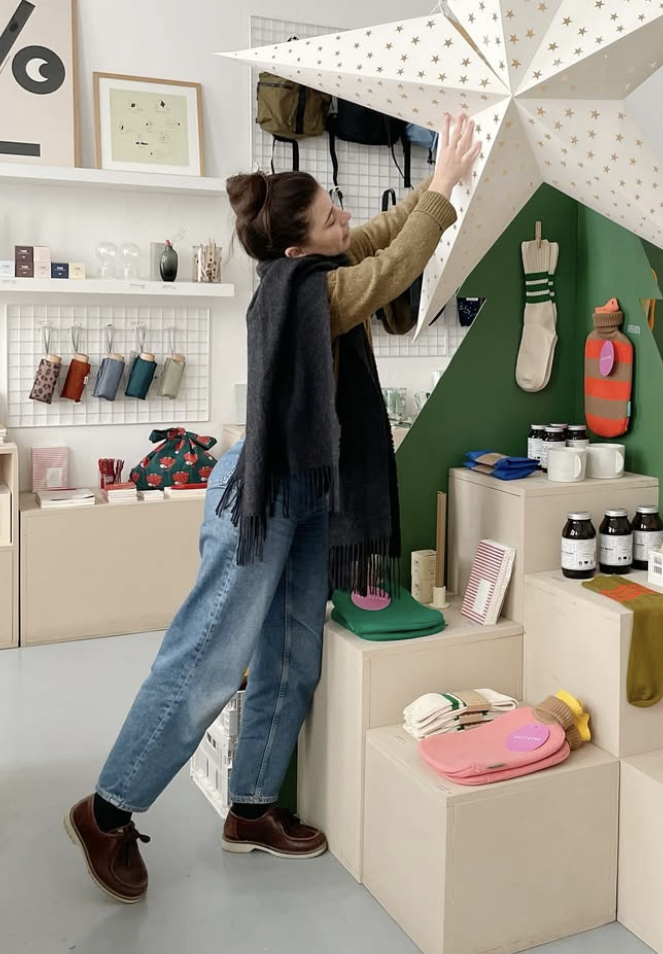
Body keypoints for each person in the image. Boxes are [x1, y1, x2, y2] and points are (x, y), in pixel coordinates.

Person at [65, 111, 481, 904]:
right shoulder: (309, 293)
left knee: (294, 653)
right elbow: (392, 268)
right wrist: (444, 183)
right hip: (259, 493)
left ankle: (252, 807)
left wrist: (441, 184)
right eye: (330, 215)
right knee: (208, 658)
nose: (345, 219)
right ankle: (107, 811)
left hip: (308, 486)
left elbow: (381, 235)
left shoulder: (315, 266)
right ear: (299, 248)